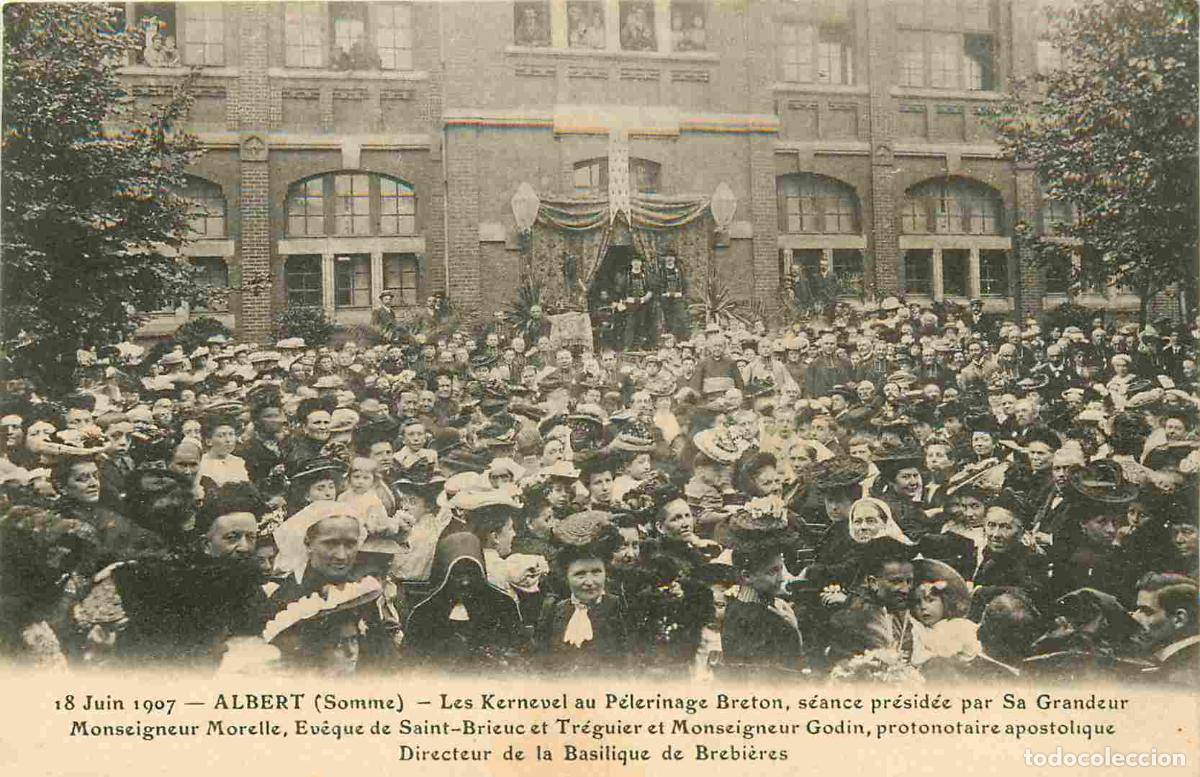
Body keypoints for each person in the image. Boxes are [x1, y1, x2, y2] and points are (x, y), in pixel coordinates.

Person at [403, 532, 524, 669]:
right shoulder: (424, 613)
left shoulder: (502, 606)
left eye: (471, 573)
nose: (465, 582)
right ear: (444, 575)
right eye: (457, 574)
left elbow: (516, 653)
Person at [1132, 572, 1200, 687]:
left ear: (1179, 619)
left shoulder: (1180, 678)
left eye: (1146, 611)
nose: (1134, 618)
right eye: (1137, 610)